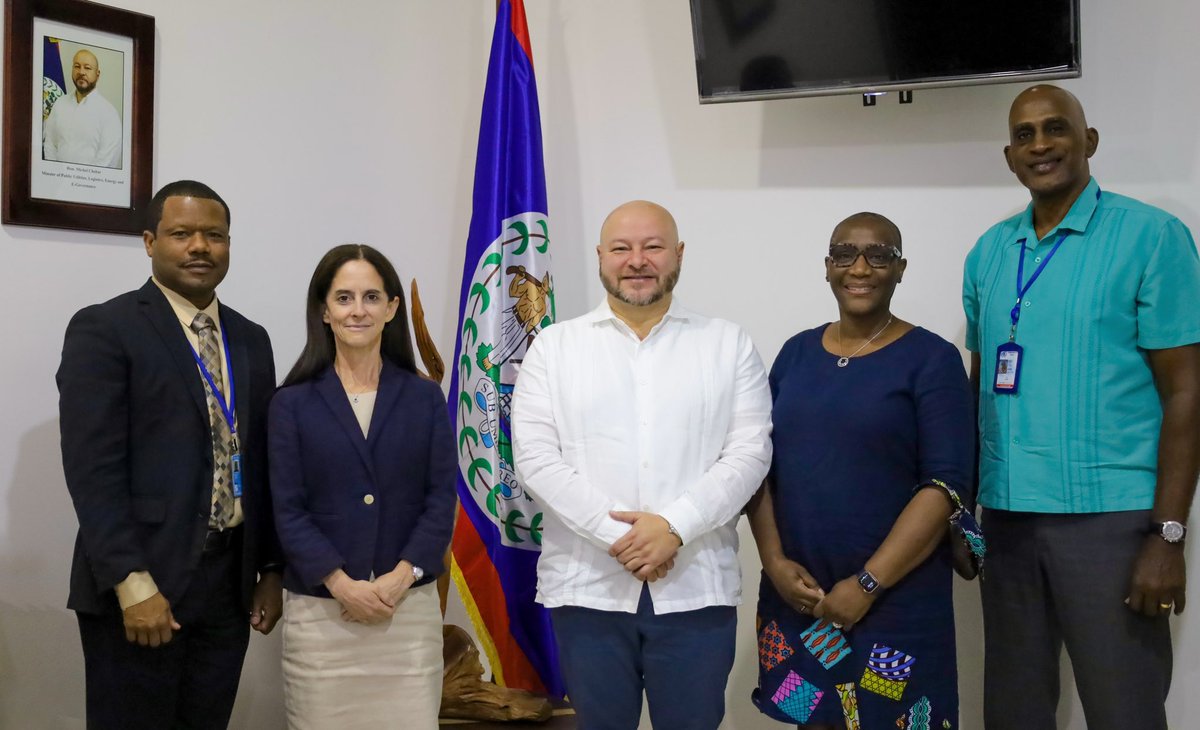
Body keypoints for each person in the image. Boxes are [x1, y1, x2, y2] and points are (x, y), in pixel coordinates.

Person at [963, 85, 1200, 730]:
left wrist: (1168, 536)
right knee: (1013, 713)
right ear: (1009, 155)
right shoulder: (989, 252)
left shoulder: (1152, 237)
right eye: (1025, 135)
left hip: (1113, 526)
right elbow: (981, 389)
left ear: (1088, 140)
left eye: (1056, 128)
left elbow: (1187, 393)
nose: (1040, 145)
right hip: (1007, 523)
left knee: (1124, 712)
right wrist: (966, 515)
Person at [511, 200, 773, 730]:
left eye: (653, 247)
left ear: (679, 254)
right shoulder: (554, 348)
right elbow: (536, 459)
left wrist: (674, 527)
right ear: (600, 256)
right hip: (588, 590)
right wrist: (626, 538)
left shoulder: (727, 344)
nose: (637, 261)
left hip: (696, 590)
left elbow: (750, 453)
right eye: (621, 248)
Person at [57, 180, 284, 729]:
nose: (200, 246)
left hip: (229, 586)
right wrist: (132, 582)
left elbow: (264, 460)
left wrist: (271, 569)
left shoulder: (251, 339)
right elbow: (92, 470)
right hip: (141, 582)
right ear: (149, 242)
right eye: (182, 234)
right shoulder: (105, 328)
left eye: (215, 235)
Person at [747, 212, 976, 729]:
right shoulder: (796, 353)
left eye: (879, 255)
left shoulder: (932, 359)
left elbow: (945, 486)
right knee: (816, 719)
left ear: (901, 269)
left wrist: (868, 584)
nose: (860, 268)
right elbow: (757, 466)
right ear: (828, 266)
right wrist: (774, 561)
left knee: (888, 719)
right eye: (845, 254)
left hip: (894, 603)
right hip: (803, 601)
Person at [268, 244, 457, 729]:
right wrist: (340, 584)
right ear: (324, 311)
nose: (358, 310)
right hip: (323, 615)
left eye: (371, 297)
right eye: (344, 297)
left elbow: (441, 499)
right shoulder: (291, 403)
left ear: (392, 308)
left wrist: (402, 577)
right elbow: (287, 509)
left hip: (406, 611)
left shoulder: (424, 397)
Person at [43, 48, 122, 168]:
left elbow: (107, 161)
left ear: (97, 74)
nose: (81, 72)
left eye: (87, 68)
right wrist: (55, 173)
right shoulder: (59, 104)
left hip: (91, 180)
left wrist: (79, 179)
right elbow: (50, 143)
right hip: (56, 178)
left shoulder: (109, 113)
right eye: (77, 66)